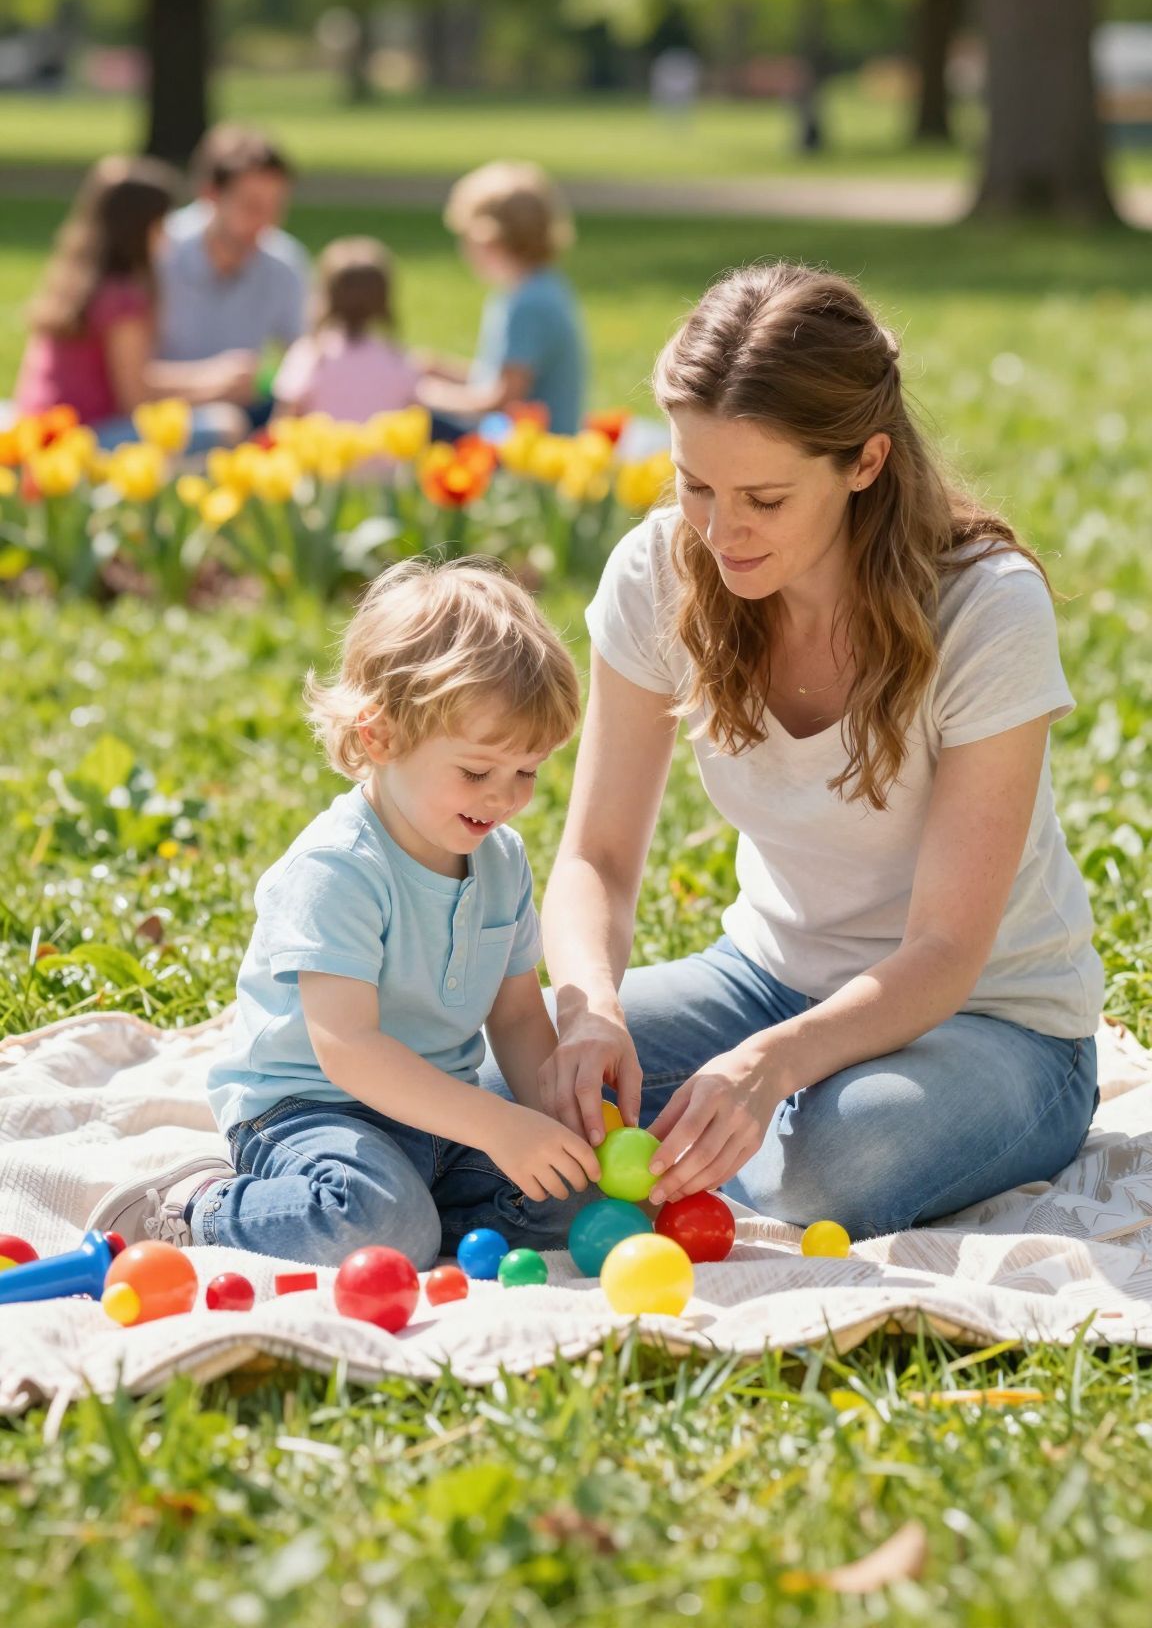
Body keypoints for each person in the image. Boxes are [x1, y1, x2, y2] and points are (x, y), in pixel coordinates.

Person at [533, 262, 1102, 1242]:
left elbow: (945, 953)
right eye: (695, 482)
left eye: (763, 495)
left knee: (834, 1160)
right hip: (763, 977)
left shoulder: (983, 607)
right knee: (511, 1076)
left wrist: (771, 1067)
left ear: (865, 462)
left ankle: (700, 1164)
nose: (719, 529)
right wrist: (589, 1008)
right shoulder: (657, 573)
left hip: (992, 1020)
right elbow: (597, 858)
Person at [88, 559, 600, 1267]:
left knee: (577, 1198)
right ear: (378, 738)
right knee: (380, 1224)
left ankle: (418, 1215)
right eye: (479, 771)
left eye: (528, 771)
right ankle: (194, 1208)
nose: (506, 797)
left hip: (440, 1115)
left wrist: (560, 1127)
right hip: (311, 1108)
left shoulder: (500, 860)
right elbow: (348, 1049)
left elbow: (515, 1017)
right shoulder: (338, 868)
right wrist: (497, 1126)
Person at [15, 156, 255, 449]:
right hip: (85, 440)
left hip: (36, 429)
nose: (167, 236)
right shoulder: (123, 298)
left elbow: (128, 373)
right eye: (161, 225)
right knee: (227, 424)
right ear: (140, 229)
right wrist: (214, 386)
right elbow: (135, 398)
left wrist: (209, 373)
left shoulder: (75, 282)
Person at [416, 161, 587, 436]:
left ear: (489, 239)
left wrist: (427, 396)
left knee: (410, 422)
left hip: (529, 450)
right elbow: (500, 376)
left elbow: (504, 398)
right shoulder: (539, 287)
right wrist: (439, 370)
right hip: (527, 440)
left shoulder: (528, 303)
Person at [158, 124, 309, 424]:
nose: (266, 221)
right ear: (210, 195)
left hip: (246, 414)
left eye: (275, 206)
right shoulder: (159, 256)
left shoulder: (284, 262)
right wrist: (209, 381)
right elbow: (121, 378)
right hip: (159, 416)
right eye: (252, 206)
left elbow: (304, 359)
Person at [271, 237, 419, 420]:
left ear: (325, 297)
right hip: (382, 450)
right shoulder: (397, 359)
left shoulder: (311, 355)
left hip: (321, 449)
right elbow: (414, 419)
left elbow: (283, 423)